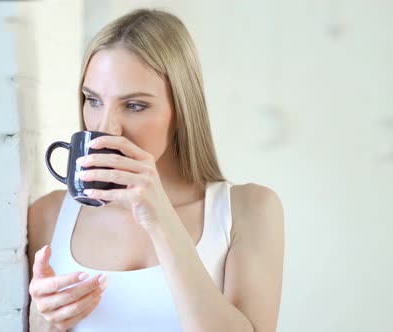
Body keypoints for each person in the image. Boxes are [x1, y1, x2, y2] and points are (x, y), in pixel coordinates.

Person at [27, 8, 284, 332]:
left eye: (134, 105)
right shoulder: (47, 216)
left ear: (181, 111)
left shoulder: (247, 211)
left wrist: (160, 218)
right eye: (93, 100)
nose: (107, 128)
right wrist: (40, 321)